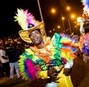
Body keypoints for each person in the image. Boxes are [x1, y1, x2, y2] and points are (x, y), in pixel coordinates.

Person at [14, 8, 78, 87]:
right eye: (32, 35)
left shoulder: (55, 42)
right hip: (49, 82)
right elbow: (33, 73)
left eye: (36, 33)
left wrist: (69, 65)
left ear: (41, 34)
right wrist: (46, 73)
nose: (34, 36)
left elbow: (69, 52)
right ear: (30, 39)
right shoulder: (29, 54)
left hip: (64, 78)